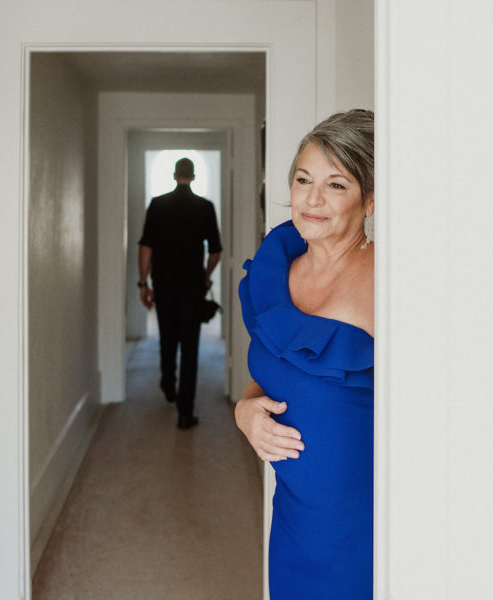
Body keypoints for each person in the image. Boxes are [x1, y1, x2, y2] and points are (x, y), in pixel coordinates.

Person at [235, 109, 374, 598]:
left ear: (370, 199)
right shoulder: (278, 265)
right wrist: (245, 409)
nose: (312, 200)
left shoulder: (392, 280)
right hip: (294, 517)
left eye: (336, 185)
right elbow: (271, 374)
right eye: (302, 179)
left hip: (363, 526)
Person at [138, 157, 223, 430]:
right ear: (193, 176)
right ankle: (185, 412)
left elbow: (146, 247)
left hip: (163, 284)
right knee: (190, 347)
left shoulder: (158, 205)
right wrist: (206, 277)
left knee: (167, 337)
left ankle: (167, 382)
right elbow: (216, 251)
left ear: (175, 176)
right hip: (192, 288)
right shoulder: (205, 207)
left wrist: (143, 283)